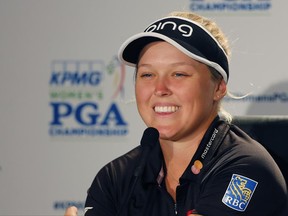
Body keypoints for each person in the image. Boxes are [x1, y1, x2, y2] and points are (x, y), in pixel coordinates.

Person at [65, 11, 287, 216]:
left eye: (179, 74)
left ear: (218, 87)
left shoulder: (246, 170)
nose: (160, 89)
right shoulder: (115, 178)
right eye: (147, 75)